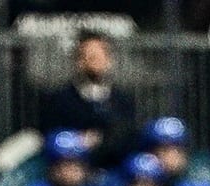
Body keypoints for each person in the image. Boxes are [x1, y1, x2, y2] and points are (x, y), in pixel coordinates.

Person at [36, 30, 138, 170]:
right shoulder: (59, 100)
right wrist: (77, 140)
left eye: (98, 56)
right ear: (78, 61)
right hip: (72, 173)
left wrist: (101, 140)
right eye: (88, 56)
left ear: (109, 60)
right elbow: (49, 135)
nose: (93, 61)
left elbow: (128, 136)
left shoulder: (122, 100)